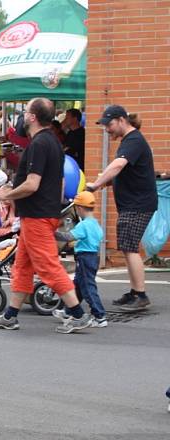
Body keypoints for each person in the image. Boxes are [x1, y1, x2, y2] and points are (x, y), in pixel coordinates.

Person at [0, 97, 92, 334]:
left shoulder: (39, 144)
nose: (23, 115)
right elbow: (62, 181)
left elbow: (32, 184)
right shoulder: (53, 142)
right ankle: (10, 316)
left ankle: (77, 314)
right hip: (43, 213)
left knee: (47, 266)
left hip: (37, 215)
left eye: (25, 112)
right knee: (22, 266)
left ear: (33, 117)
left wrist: (6, 195)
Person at [86, 106, 157, 312]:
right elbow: (124, 173)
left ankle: (141, 295)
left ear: (121, 120)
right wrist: (105, 183)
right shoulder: (130, 141)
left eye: (109, 124)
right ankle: (135, 292)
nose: (107, 129)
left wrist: (97, 184)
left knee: (130, 247)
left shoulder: (133, 140)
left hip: (138, 204)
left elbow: (117, 166)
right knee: (127, 247)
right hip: (133, 203)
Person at [53, 191, 107, 327]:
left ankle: (100, 316)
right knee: (77, 285)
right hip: (93, 256)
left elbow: (68, 237)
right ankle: (68, 311)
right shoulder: (95, 224)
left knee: (88, 288)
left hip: (84, 257)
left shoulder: (83, 225)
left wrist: (53, 233)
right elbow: (98, 238)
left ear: (80, 208)